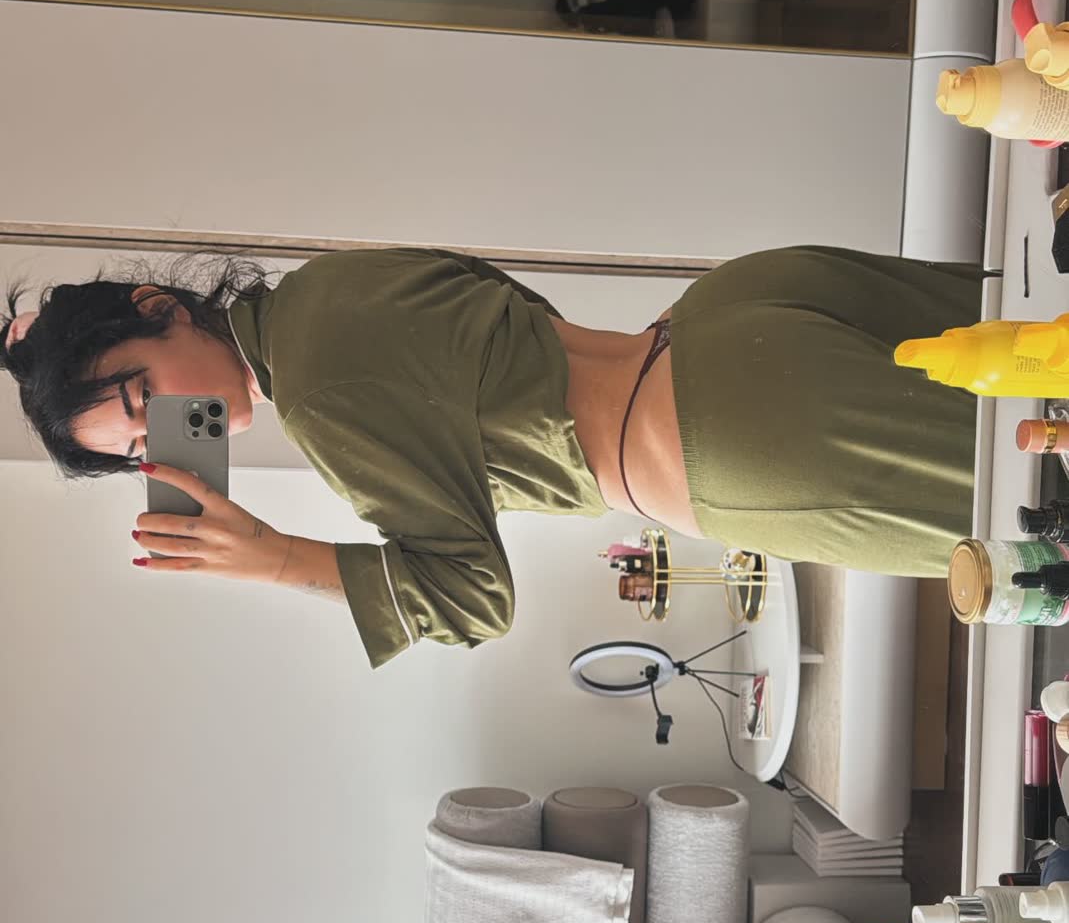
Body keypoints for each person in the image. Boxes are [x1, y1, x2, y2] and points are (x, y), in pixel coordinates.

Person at [1, 244, 981, 669]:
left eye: (142, 396)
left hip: (731, 438)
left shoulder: (324, 399)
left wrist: (279, 558)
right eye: (139, 443)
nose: (168, 430)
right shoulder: (328, 286)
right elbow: (523, 325)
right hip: (733, 311)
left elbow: (474, 598)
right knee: (1031, 350)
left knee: (1025, 516)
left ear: (159, 308)